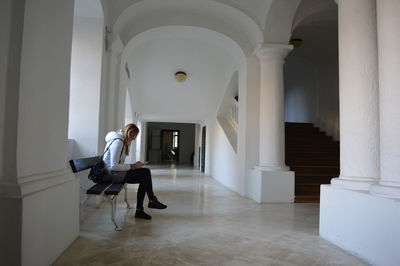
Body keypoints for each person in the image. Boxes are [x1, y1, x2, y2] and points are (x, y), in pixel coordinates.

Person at [103, 123, 167, 219]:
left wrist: (134, 166)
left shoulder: (119, 140)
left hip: (113, 173)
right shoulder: (118, 142)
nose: (134, 139)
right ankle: (148, 204)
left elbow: (115, 164)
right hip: (111, 174)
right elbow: (113, 166)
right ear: (130, 133)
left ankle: (148, 204)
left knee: (145, 173)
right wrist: (133, 166)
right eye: (133, 137)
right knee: (145, 174)